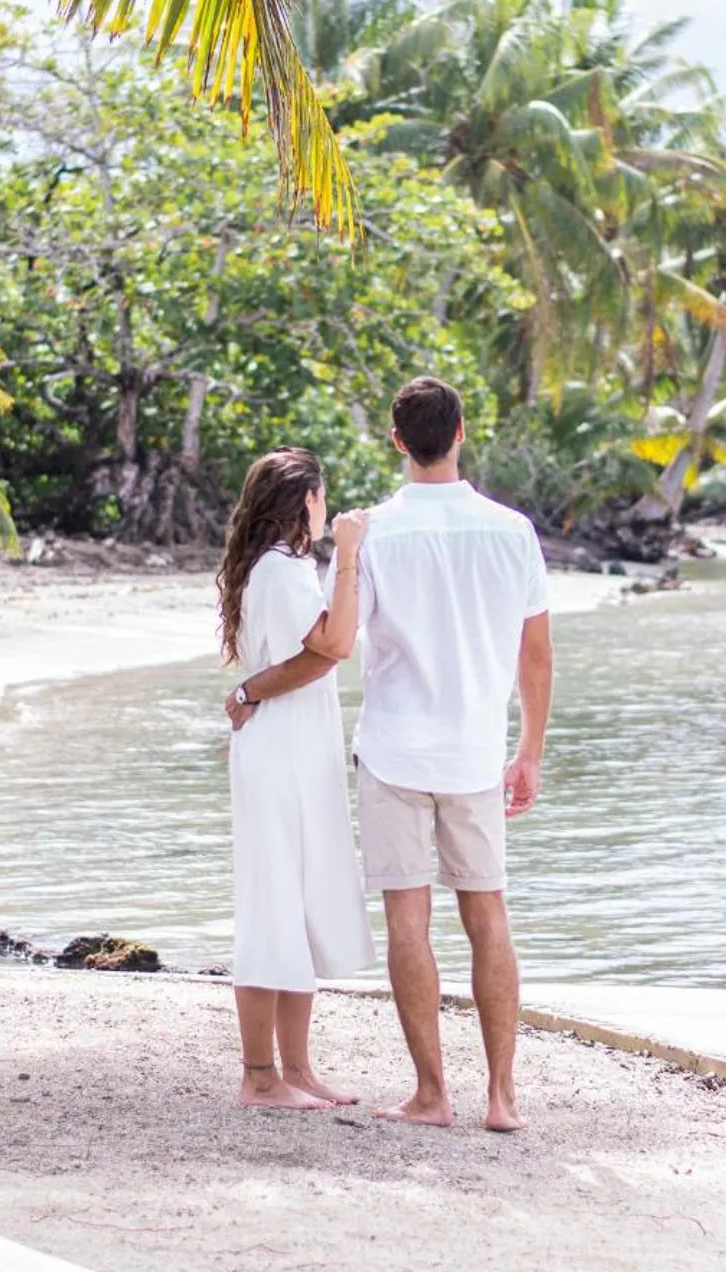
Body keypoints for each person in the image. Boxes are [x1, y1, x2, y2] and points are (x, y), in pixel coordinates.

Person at [231, 379, 554, 1132]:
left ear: (397, 440)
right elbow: (535, 653)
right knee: (488, 915)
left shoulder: (373, 532)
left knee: (409, 922)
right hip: (475, 752)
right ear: (462, 432)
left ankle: (432, 1095)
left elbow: (336, 642)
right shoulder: (513, 531)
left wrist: (250, 689)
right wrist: (530, 751)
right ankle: (501, 1097)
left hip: (395, 752)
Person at [215, 447, 374, 1111]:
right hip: (279, 755)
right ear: (306, 501)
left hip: (295, 751)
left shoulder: (282, 567)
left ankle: (297, 1069)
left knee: (299, 903)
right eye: (322, 496)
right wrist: (349, 553)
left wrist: (249, 689)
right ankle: (259, 1076)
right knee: (272, 905)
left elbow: (315, 654)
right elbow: (331, 649)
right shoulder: (281, 571)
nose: (326, 507)